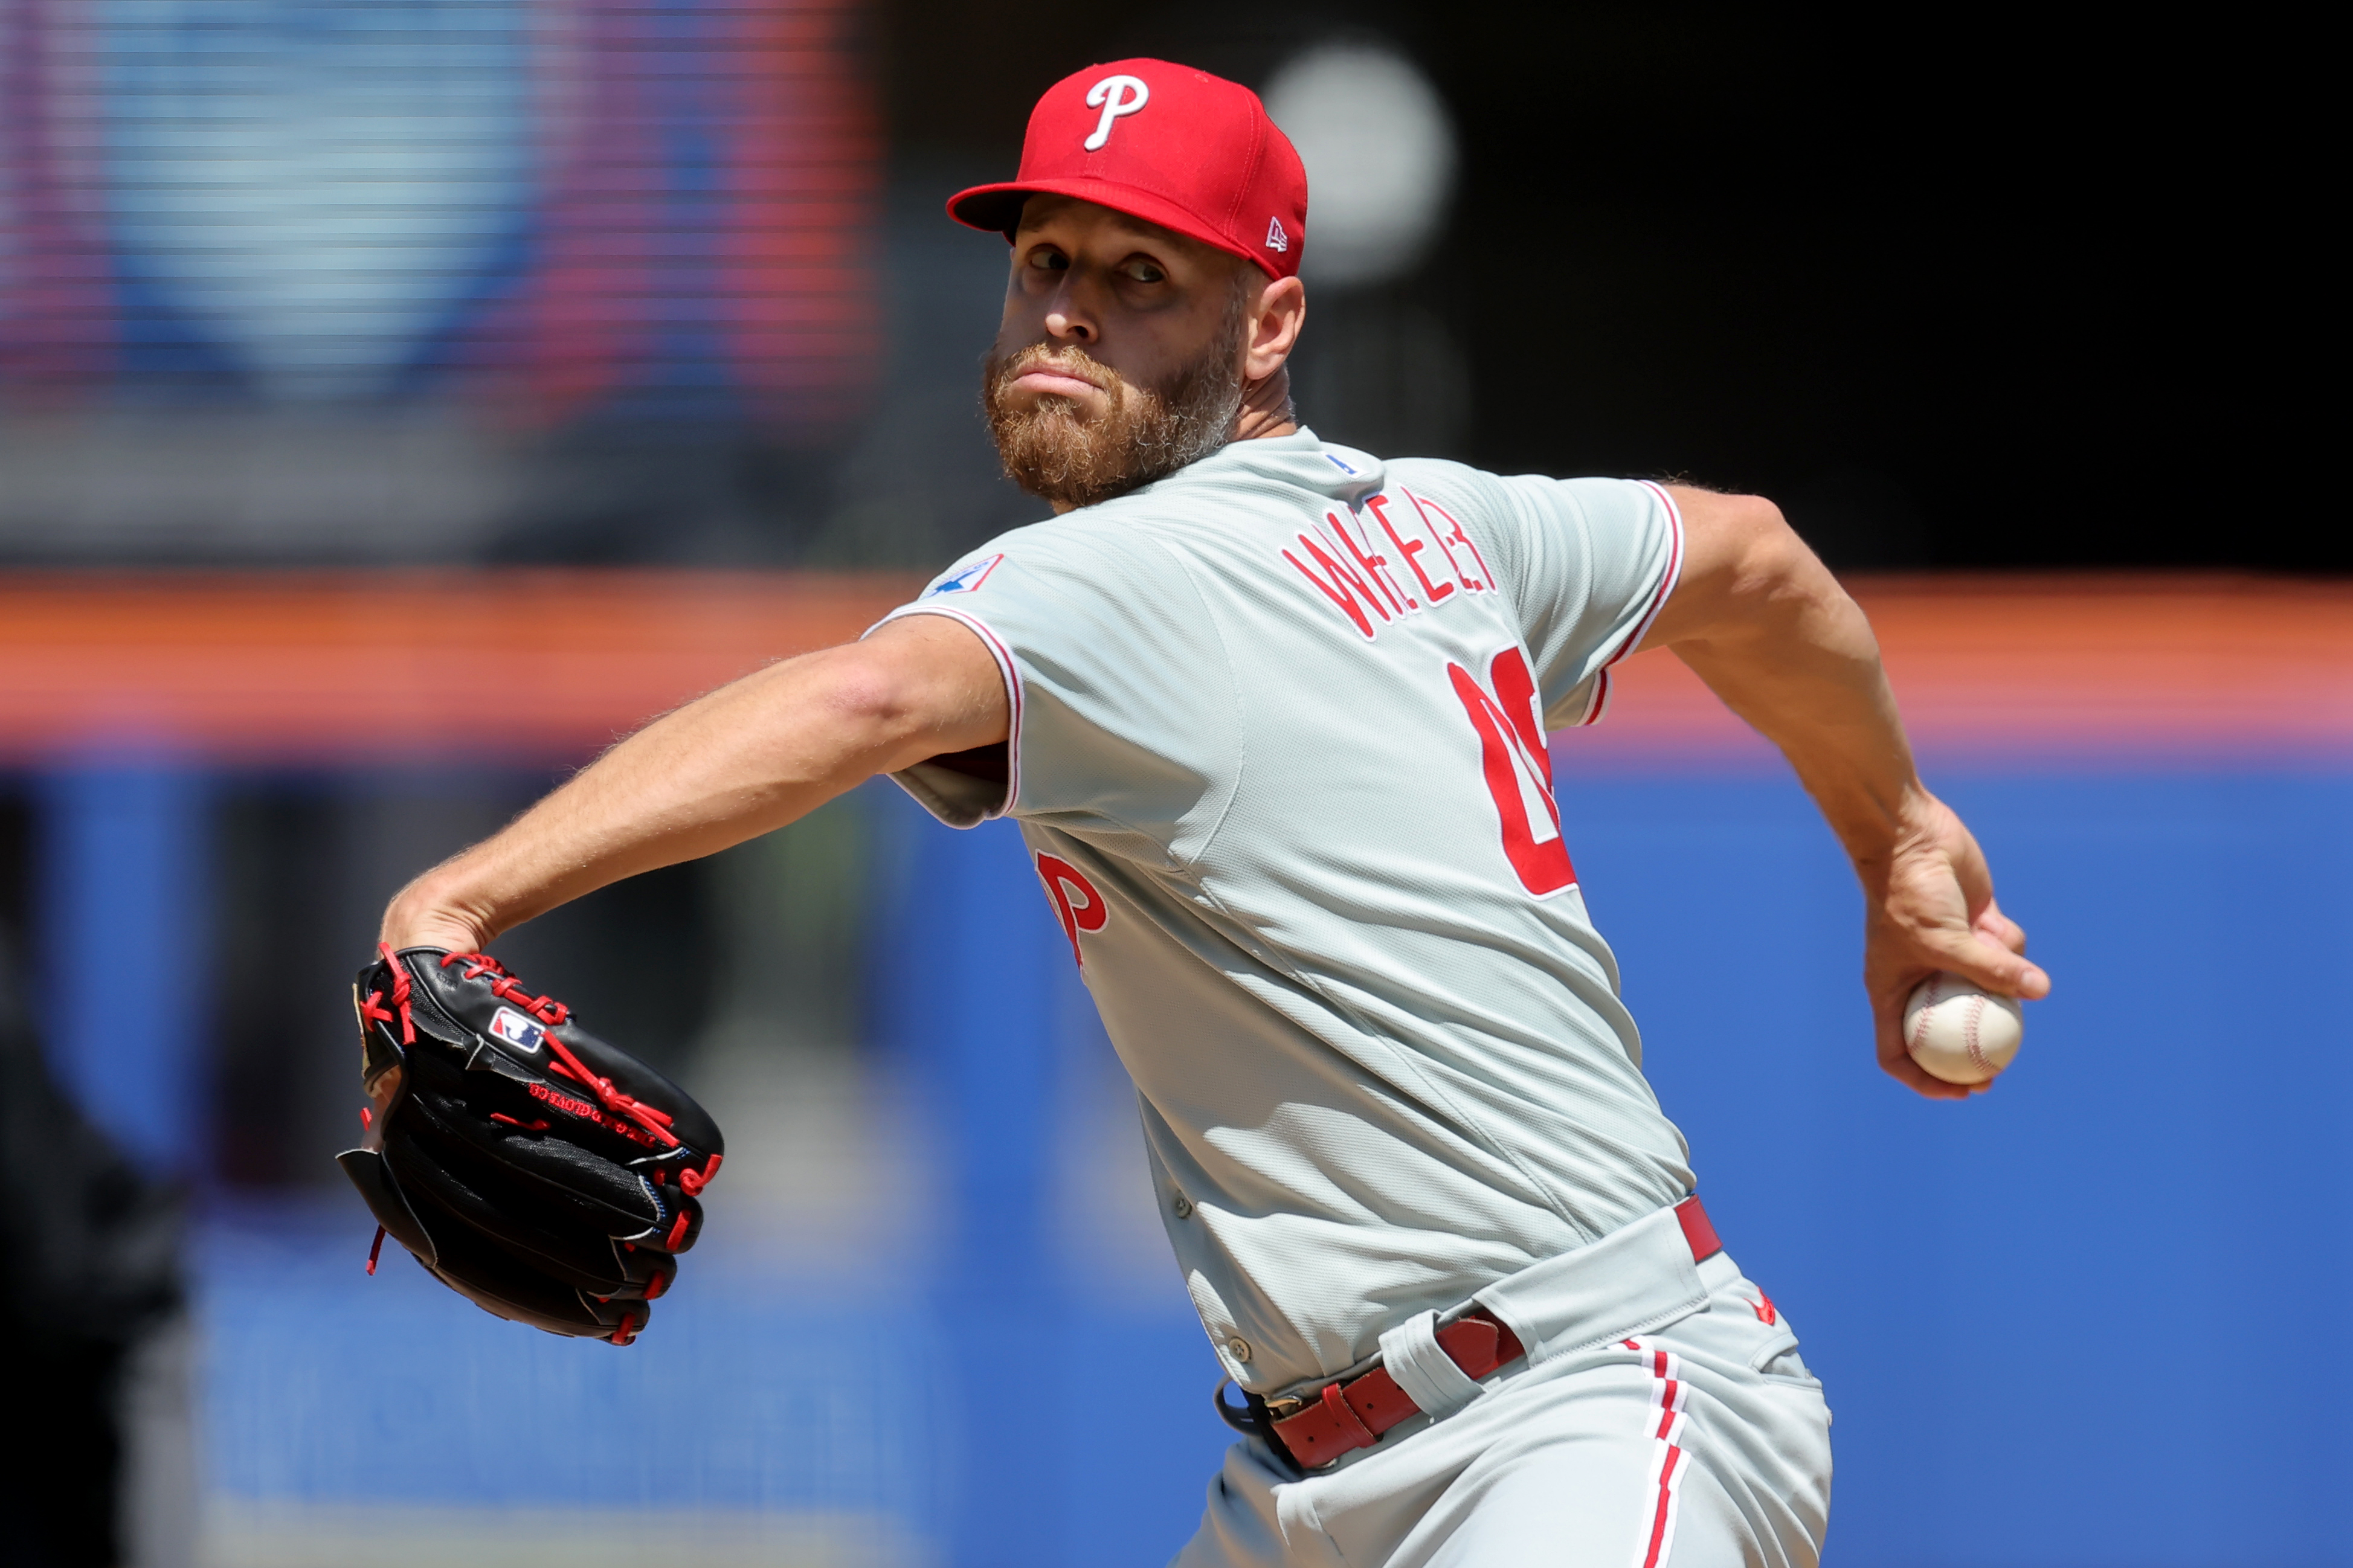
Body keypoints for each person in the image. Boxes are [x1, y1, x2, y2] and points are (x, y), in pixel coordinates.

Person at [382, 59, 2049, 1567]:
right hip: (1316, 1476)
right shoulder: (1444, 521)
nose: (1067, 316)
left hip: (1575, 1425)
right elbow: (1751, 556)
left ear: (1266, 326)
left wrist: (458, 901)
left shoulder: (1122, 574)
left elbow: (863, 703)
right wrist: (1896, 833)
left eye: (1141, 278)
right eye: (1046, 260)